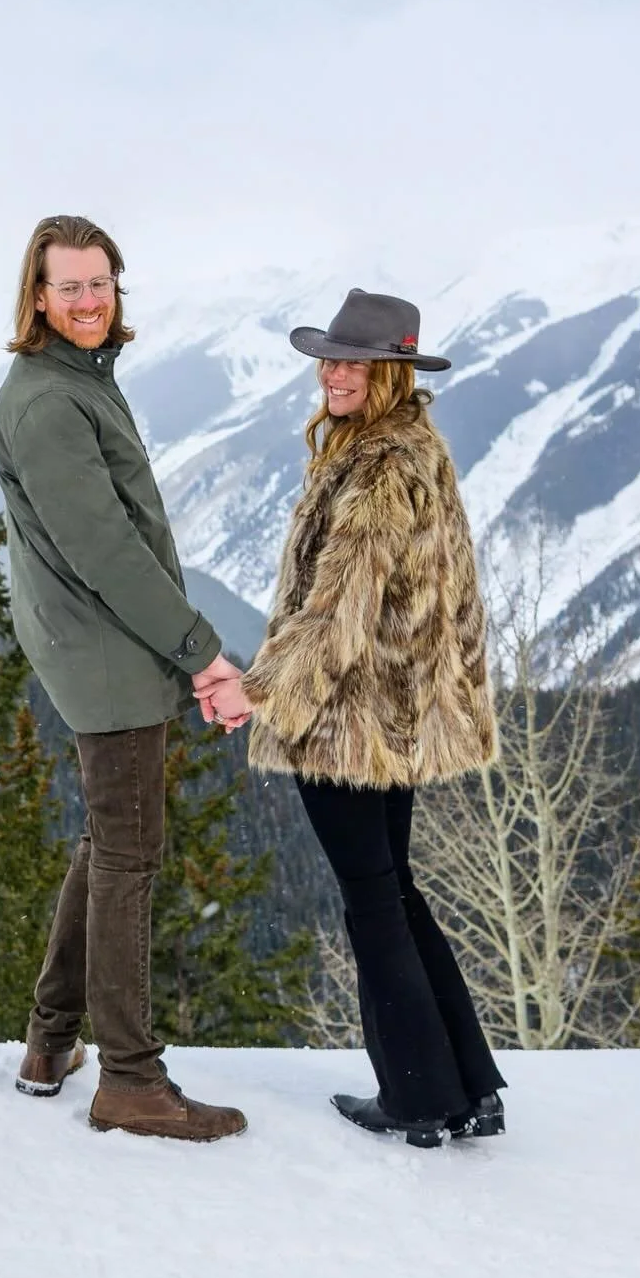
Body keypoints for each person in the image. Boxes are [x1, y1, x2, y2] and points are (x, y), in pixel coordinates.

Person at [195, 288, 507, 1148]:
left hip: (347, 717)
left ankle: (416, 1098)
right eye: (330, 359)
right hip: (398, 711)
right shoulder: (412, 450)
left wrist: (256, 690)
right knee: (395, 894)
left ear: (392, 372)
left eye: (355, 362)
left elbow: (339, 613)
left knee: (373, 903)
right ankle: (469, 1087)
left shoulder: (375, 467)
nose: (335, 373)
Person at [0, 214, 248, 1142]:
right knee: (130, 856)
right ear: (38, 296)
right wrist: (202, 652)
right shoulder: (51, 403)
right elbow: (107, 550)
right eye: (70, 287)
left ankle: (50, 1040)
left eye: (100, 284)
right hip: (106, 651)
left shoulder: (73, 382)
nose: (89, 302)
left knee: (107, 843)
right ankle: (131, 1081)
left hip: (104, 644)